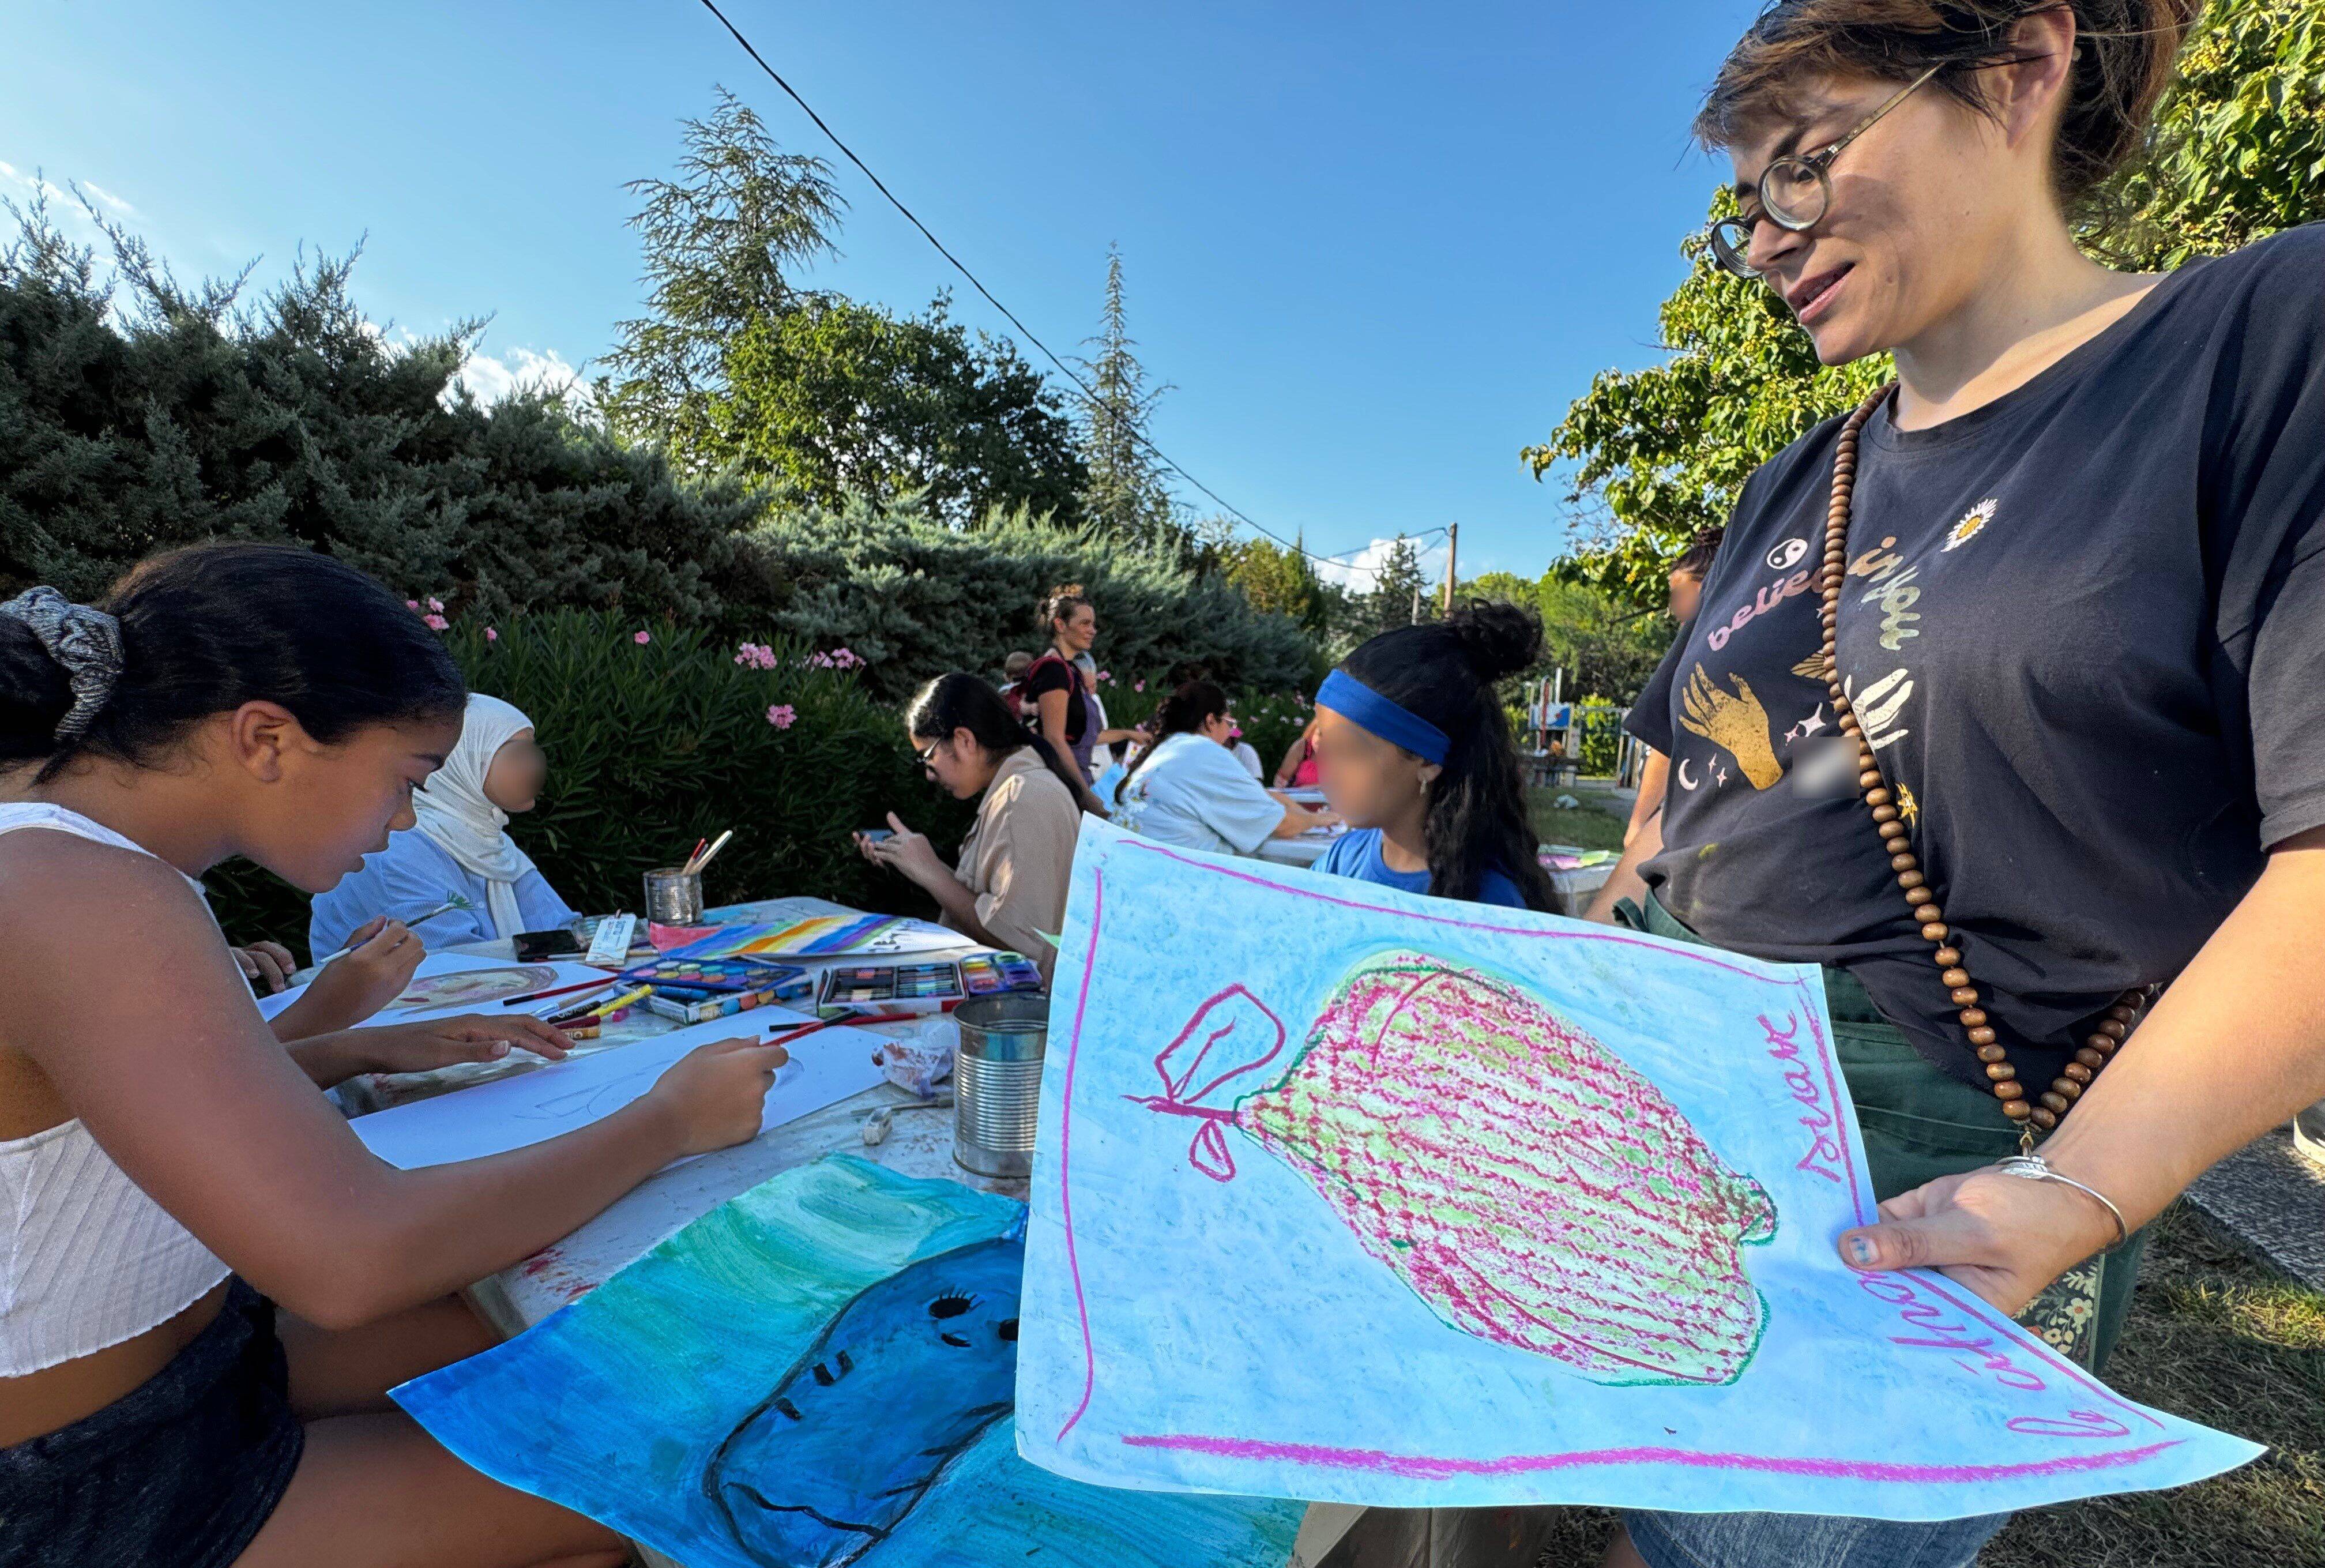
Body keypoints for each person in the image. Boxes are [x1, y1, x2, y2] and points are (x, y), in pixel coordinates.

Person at [1576, 7, 2325, 1566]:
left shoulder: (2261, 334)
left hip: (1932, 1186)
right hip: (1672, 1143)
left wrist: (2080, 1185)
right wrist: (1627, 893)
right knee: (1664, 1527)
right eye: (1744, 209)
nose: (1769, 245)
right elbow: (1699, 785)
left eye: (1804, 167)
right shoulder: (1804, 470)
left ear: (2018, 69)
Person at [0, 543, 788, 1568]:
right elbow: (352, 1256)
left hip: (206, 1369)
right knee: (682, 1468)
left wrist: (358, 1041)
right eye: (407, 776)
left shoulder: (73, 858)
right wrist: (669, 1118)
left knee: (602, 1333)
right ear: (267, 736)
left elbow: (102, 1117)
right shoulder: (83, 890)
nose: (407, 816)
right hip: (95, 1487)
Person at [1309, 603, 1562, 913]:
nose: (1328, 776)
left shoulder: (1490, 903)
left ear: (1427, 762)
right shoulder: (1341, 863)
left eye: (1349, 752)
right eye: (1325, 748)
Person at [309, 693, 577, 957]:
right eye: (517, 755)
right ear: (462, 760)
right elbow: (460, 968)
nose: (533, 768)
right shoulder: (392, 848)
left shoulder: (493, 847)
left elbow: (568, 935)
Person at [857, 674, 1084, 980]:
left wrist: (932, 872)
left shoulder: (1025, 798)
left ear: (964, 740)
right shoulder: (1016, 789)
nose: (930, 775)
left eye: (928, 757)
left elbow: (1021, 941)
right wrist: (914, 863)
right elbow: (987, 905)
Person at [1111, 680, 1340, 856]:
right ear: (1211, 722)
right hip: (1173, 876)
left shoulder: (1169, 750)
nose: (1230, 732)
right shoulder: (1203, 752)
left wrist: (1301, 811)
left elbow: (1261, 798)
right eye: (1229, 724)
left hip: (1137, 864)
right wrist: (1322, 820)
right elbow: (1280, 825)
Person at [1620, 528, 1723, 848]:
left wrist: (1637, 826)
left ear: (1708, 587)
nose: (1672, 609)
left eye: (1679, 594)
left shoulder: (1705, 637)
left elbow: (1665, 739)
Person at [1019, 586, 1107, 811]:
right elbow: (1055, 739)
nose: (1093, 630)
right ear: (1060, 625)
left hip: (1070, 782)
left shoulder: (1070, 670)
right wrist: (1085, 796)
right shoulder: (1054, 671)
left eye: (1093, 624)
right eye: (1085, 623)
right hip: (1061, 787)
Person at [1272, 715, 1323, 789]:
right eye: (1320, 734)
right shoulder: (1302, 747)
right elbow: (1281, 780)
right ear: (1313, 731)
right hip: (1297, 799)